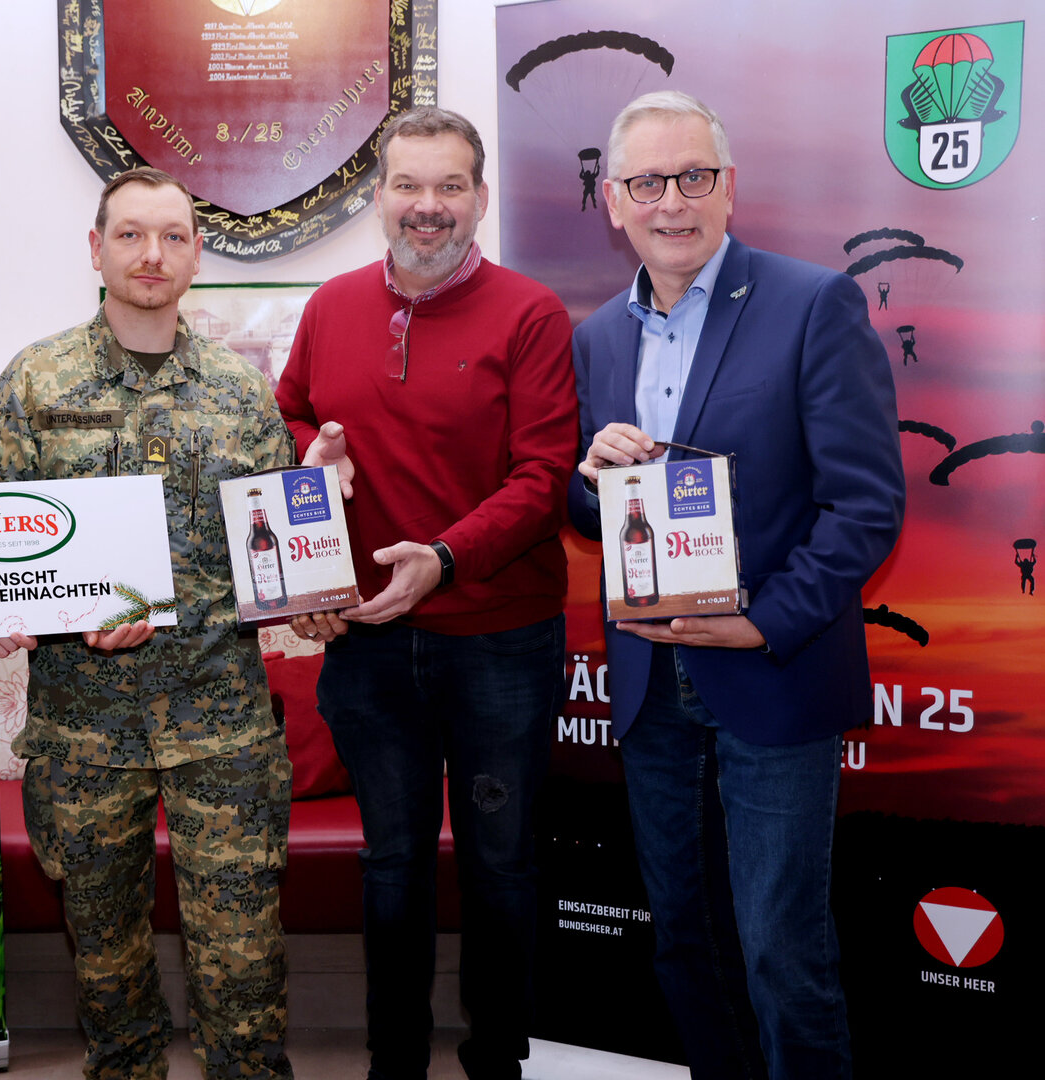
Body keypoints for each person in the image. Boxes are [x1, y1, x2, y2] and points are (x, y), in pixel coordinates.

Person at [569, 91, 904, 1080]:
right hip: (649, 685)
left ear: (727, 187)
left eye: (693, 176)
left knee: (781, 951)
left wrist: (761, 626)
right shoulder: (597, 339)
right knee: (683, 938)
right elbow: (591, 520)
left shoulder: (814, 303)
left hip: (772, 674)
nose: (672, 201)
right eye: (647, 182)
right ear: (615, 203)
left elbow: (866, 506)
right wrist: (589, 484)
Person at [277, 106, 577, 1080]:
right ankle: (393, 1063)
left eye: (450, 186)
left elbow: (542, 479)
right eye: (408, 185)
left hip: (499, 641)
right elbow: (290, 421)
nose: (428, 206)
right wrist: (305, 468)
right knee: (393, 863)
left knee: (500, 863)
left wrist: (442, 560)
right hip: (366, 648)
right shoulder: (328, 310)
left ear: (480, 200)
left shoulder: (530, 314)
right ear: (379, 200)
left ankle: (499, 1061)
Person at [0, 167, 294, 1080]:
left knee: (243, 978)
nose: (152, 254)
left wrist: (321, 526)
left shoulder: (241, 391)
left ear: (197, 254)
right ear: (96, 249)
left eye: (172, 236)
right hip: (85, 734)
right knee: (108, 978)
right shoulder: (36, 383)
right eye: (130, 235)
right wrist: (64, 619)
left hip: (222, 729)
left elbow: (272, 562)